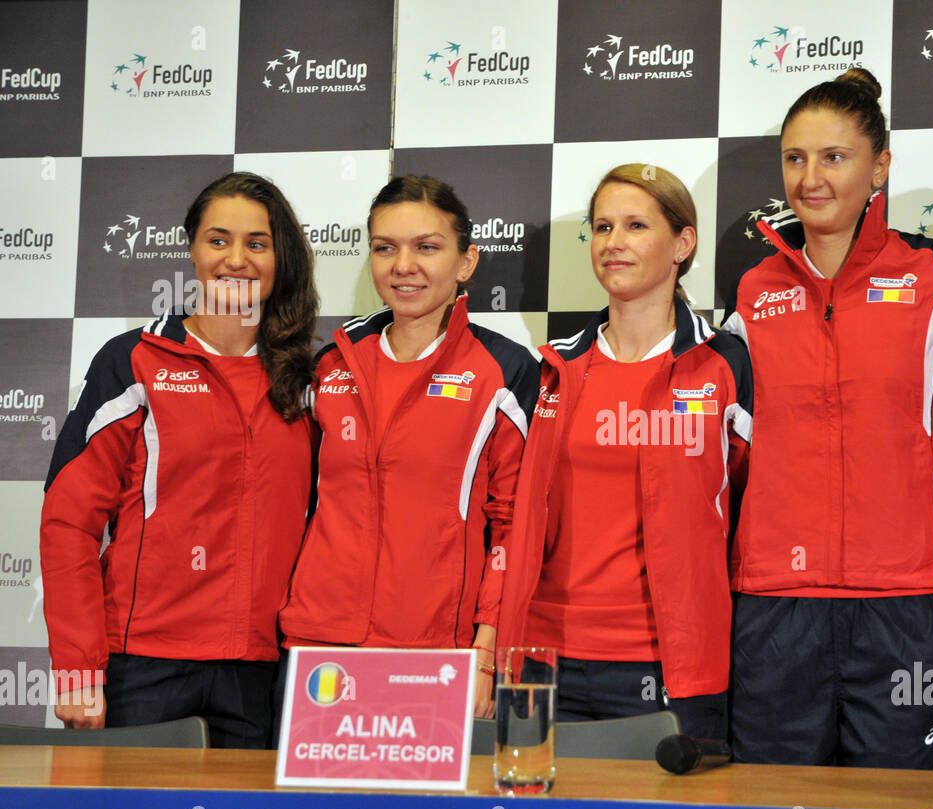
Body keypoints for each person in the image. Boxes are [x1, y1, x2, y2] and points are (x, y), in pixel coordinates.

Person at [723, 69, 933, 767]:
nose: (810, 178)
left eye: (834, 157)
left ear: (881, 166)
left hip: (904, 601)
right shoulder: (753, 289)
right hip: (776, 599)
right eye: (795, 158)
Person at [41, 171, 319, 747]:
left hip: (265, 674)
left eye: (257, 243)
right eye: (218, 240)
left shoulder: (310, 380)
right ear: (192, 249)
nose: (235, 259)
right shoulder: (134, 362)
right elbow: (69, 521)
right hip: (143, 666)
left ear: (280, 258)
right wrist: (76, 667)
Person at [497, 164, 752, 741]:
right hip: (545, 657)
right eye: (603, 227)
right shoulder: (552, 371)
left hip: (670, 664)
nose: (614, 243)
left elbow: (755, 511)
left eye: (637, 225)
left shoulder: (725, 365)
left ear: (682, 243)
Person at [278, 175, 539, 718]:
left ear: (466, 262)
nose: (403, 265)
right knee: (317, 806)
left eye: (427, 247)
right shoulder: (331, 365)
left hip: (434, 654)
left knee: (421, 807)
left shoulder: (504, 371)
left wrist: (486, 657)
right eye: (385, 248)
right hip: (320, 648)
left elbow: (513, 528)